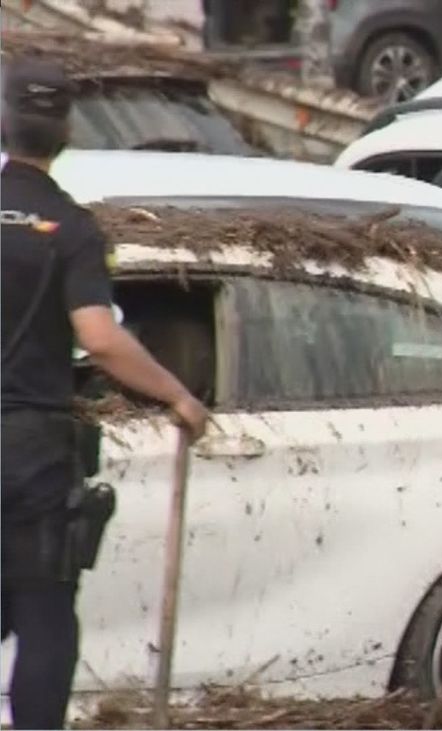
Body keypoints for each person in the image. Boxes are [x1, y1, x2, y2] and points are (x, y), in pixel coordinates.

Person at [1, 59, 209, 730]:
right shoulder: (72, 229)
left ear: (4, 123)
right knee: (44, 616)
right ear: (63, 129)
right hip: (31, 449)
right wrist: (179, 395)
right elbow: (100, 335)